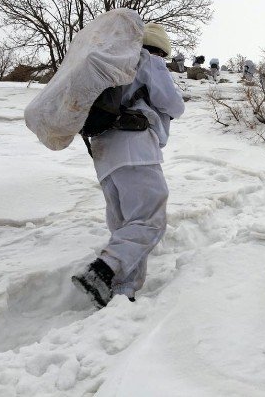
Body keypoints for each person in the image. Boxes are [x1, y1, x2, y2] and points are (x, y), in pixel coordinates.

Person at [72, 23, 185, 307]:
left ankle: (122, 293)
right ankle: (103, 270)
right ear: (159, 48)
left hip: (103, 153)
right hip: (135, 147)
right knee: (151, 219)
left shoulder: (110, 65)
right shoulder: (148, 60)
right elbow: (174, 105)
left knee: (126, 224)